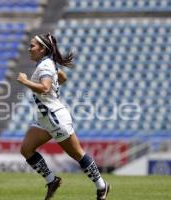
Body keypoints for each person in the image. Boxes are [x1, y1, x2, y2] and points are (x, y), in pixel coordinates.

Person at [17, 33, 110, 200]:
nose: (29, 49)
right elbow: (62, 77)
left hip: (55, 118)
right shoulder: (47, 63)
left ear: (42, 49)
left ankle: (102, 186)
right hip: (44, 118)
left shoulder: (45, 66)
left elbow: (45, 88)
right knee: (26, 149)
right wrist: (53, 87)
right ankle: (52, 181)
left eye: (32, 46)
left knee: (77, 155)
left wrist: (25, 82)